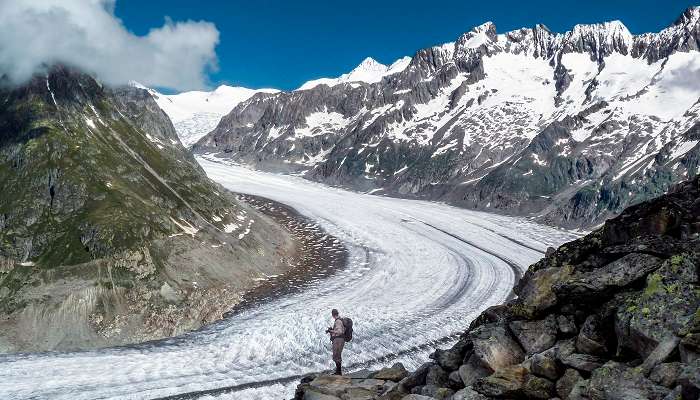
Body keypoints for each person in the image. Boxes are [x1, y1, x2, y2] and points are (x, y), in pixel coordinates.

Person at [325, 308, 345, 375]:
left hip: (338, 340)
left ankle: (338, 372)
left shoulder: (338, 321)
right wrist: (332, 330)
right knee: (337, 356)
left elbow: (339, 332)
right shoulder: (340, 320)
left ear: (333, 315)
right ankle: (338, 372)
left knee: (336, 356)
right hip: (340, 340)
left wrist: (331, 331)